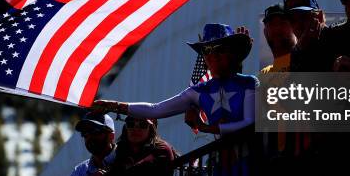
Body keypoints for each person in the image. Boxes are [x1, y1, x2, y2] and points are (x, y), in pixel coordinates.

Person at [93, 23, 257, 135]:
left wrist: (205, 128)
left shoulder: (250, 83)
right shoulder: (198, 91)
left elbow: (250, 122)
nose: (212, 55)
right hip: (222, 166)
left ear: (232, 53)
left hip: (251, 160)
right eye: (206, 50)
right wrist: (114, 106)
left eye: (219, 49)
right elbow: (155, 109)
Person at [284, 0, 330, 72]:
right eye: (292, 19)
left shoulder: (337, 41)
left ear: (319, 16)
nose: (298, 24)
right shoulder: (296, 53)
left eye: (303, 16)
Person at [260, 3, 297, 73]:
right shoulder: (264, 75)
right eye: (271, 24)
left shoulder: (307, 65)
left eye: (283, 23)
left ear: (294, 28)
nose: (277, 29)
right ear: (265, 33)